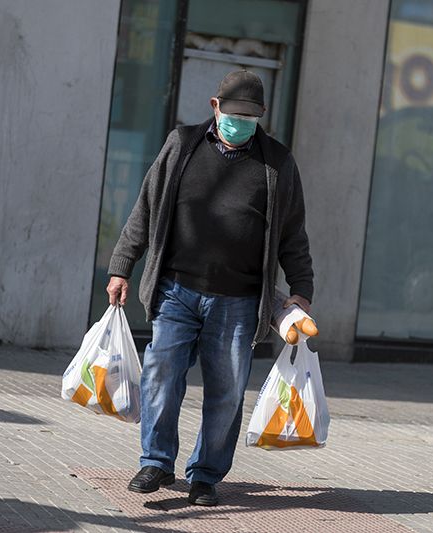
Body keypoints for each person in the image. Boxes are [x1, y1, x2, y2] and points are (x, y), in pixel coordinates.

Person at [105, 70, 314, 506]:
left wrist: (301, 288)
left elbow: (293, 233)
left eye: (250, 117)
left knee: (227, 391)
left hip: (238, 301)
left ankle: (205, 475)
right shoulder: (181, 145)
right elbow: (145, 207)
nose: (241, 124)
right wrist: (122, 266)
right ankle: (156, 463)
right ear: (215, 107)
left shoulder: (277, 163)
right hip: (177, 290)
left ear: (262, 116)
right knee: (162, 375)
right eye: (235, 114)